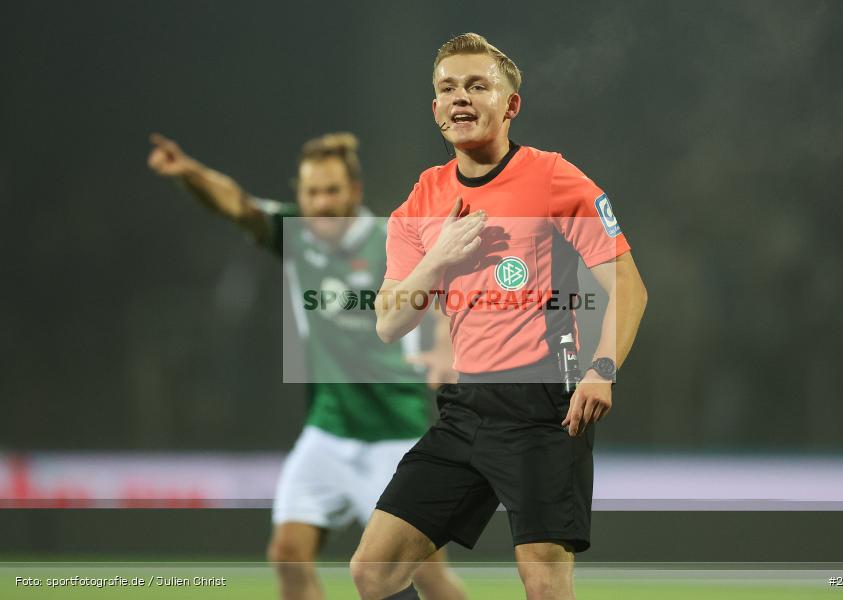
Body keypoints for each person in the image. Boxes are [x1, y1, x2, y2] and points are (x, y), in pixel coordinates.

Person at [350, 33, 648, 600]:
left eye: (477, 85)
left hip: (545, 409)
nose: (460, 97)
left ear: (511, 104)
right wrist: (439, 257)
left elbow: (628, 286)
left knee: (542, 582)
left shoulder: (555, 178)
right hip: (465, 410)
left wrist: (602, 367)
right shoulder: (423, 197)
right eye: (447, 88)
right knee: (373, 571)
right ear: (435, 108)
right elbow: (389, 322)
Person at [146, 132, 465, 600]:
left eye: (332, 190)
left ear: (354, 192)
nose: (321, 202)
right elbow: (235, 204)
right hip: (328, 432)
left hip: (394, 434)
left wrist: (443, 347)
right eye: (312, 192)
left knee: (429, 578)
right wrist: (189, 172)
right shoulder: (294, 234)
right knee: (288, 554)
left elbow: (441, 295)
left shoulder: (392, 240)